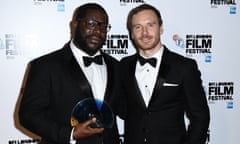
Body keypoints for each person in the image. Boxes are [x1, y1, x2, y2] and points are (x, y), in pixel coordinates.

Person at [19, 3, 120, 144]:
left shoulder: (116, 66)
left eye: (103, 26)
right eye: (91, 24)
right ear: (74, 25)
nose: (97, 31)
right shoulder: (45, 65)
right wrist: (70, 133)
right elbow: (28, 115)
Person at [117, 4, 210, 144]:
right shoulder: (123, 66)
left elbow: (200, 117)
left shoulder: (184, 67)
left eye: (150, 25)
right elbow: (122, 108)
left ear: (161, 29)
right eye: (138, 27)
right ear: (131, 34)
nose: (144, 33)